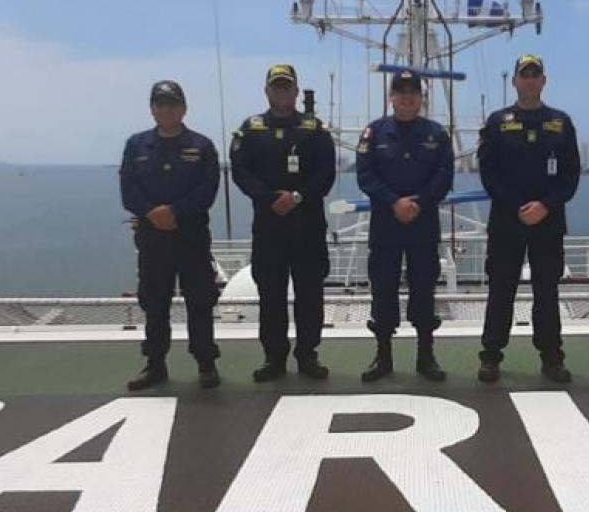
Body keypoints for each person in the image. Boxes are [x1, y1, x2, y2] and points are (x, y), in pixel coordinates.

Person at [474, 54, 580, 383]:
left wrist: (544, 206)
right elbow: (489, 173)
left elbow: (571, 175)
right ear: (515, 81)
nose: (530, 80)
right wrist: (519, 207)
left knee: (546, 292)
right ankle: (491, 356)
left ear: (543, 81)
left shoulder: (561, 123)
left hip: (548, 223)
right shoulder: (497, 122)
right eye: (525, 74)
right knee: (501, 291)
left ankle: (552, 358)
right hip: (507, 222)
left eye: (536, 75)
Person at [230, 64, 337, 381]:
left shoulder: (315, 129)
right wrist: (268, 198)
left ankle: (307, 356)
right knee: (271, 295)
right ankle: (274, 358)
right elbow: (240, 171)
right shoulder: (251, 129)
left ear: (295, 91)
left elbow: (326, 174)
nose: (281, 92)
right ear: (267, 91)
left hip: (307, 226)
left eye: (286, 87)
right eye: (276, 87)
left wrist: (298, 197)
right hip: (269, 226)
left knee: (310, 294)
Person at [118, 79, 222, 390]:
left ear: (184, 108)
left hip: (190, 237)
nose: (166, 109)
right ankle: (155, 364)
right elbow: (128, 190)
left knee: (200, 301)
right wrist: (152, 213)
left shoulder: (202, 146)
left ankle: (206, 363)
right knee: (154, 302)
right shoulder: (136, 146)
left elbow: (207, 191)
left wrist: (174, 211)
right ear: (152, 109)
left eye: (172, 104)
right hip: (153, 238)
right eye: (160, 104)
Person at [355, 69, 454, 381]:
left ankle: (426, 356)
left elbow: (444, 175)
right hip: (386, 226)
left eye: (413, 92)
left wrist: (419, 202)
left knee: (424, 292)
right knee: (383, 291)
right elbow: (365, 175)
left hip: (423, 227)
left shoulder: (437, 134)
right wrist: (394, 202)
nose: (407, 97)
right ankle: (382, 357)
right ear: (391, 97)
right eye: (401, 91)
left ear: (421, 98)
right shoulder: (374, 133)